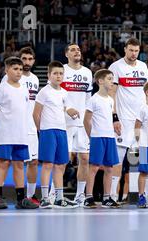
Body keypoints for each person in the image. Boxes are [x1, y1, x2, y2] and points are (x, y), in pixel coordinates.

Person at [0, 57, 39, 209]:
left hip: (21, 133)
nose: (18, 72)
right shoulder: (1, 89)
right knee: (3, 163)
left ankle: (21, 199)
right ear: (6, 70)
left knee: (19, 165)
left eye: (20, 69)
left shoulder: (24, 89)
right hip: (5, 133)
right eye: (15, 69)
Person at [108, 38, 148, 202]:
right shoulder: (116, 67)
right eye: (131, 50)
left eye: (136, 51)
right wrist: (114, 117)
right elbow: (111, 94)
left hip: (141, 121)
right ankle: (110, 196)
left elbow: (146, 92)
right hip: (123, 120)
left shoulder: (143, 66)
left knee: (145, 159)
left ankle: (145, 196)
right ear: (125, 49)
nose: (133, 53)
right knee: (117, 161)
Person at [33, 61, 78, 209]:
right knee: (47, 165)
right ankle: (45, 198)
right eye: (55, 73)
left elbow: (66, 108)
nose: (58, 76)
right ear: (49, 75)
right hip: (48, 131)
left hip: (62, 131)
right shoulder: (44, 92)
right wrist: (42, 131)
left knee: (60, 165)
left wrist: (70, 111)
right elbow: (36, 114)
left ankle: (59, 198)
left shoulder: (65, 92)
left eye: (60, 73)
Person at [1, 47, 40, 204]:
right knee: (6, 161)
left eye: (30, 59)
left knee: (34, 161)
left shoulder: (36, 79)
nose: (27, 62)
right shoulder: (9, 78)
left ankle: (30, 196)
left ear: (34, 61)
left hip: (30, 126)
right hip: (13, 125)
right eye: (24, 58)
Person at [60, 43, 93, 206]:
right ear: (66, 54)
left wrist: (88, 120)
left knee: (85, 158)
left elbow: (88, 100)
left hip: (81, 123)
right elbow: (55, 94)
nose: (77, 51)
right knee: (62, 160)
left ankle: (80, 195)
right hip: (64, 122)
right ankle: (54, 194)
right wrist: (66, 109)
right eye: (73, 49)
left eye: (79, 49)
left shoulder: (87, 72)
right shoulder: (62, 70)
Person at [83, 69, 120, 209]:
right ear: (100, 81)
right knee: (94, 168)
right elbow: (86, 121)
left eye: (112, 78)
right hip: (97, 137)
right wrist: (91, 136)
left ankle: (106, 198)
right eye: (109, 79)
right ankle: (88, 197)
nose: (112, 82)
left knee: (110, 168)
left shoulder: (111, 100)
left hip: (109, 136)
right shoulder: (93, 99)